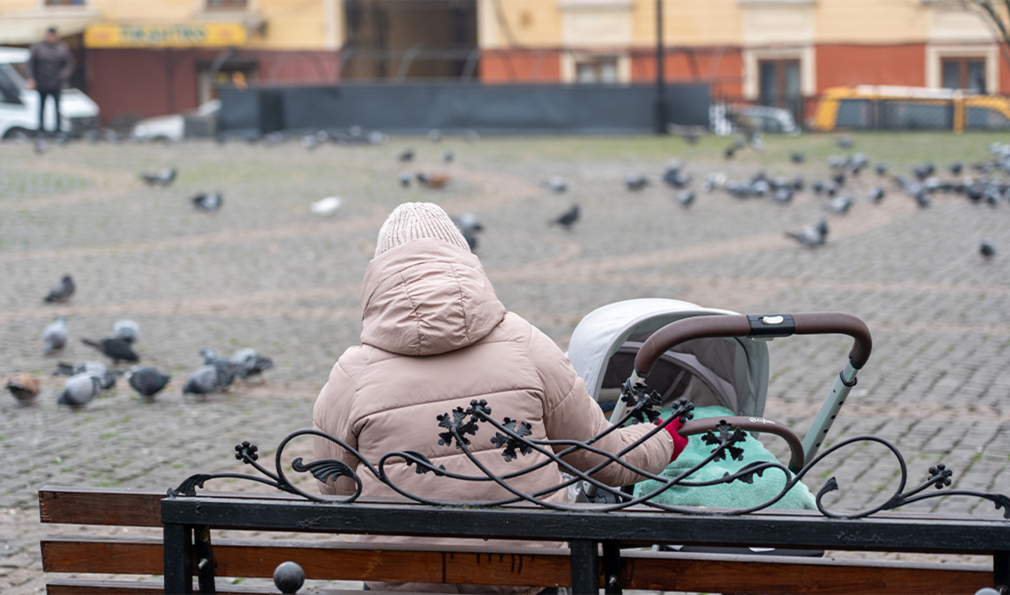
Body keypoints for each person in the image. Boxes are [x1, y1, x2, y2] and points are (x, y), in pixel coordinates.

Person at [313, 202, 688, 594]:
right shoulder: (525, 344)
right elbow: (605, 458)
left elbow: (336, 488)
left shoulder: (352, 374)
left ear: (377, 277)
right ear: (465, 262)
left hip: (409, 583)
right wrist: (665, 437)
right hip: (524, 579)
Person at [27, 27, 75, 137]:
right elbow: (30, 64)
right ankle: (41, 129)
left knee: (57, 107)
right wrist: (31, 78)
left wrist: (61, 76)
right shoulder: (38, 48)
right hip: (41, 82)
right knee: (41, 107)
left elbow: (69, 65)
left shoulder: (62, 48)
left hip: (56, 83)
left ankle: (58, 129)